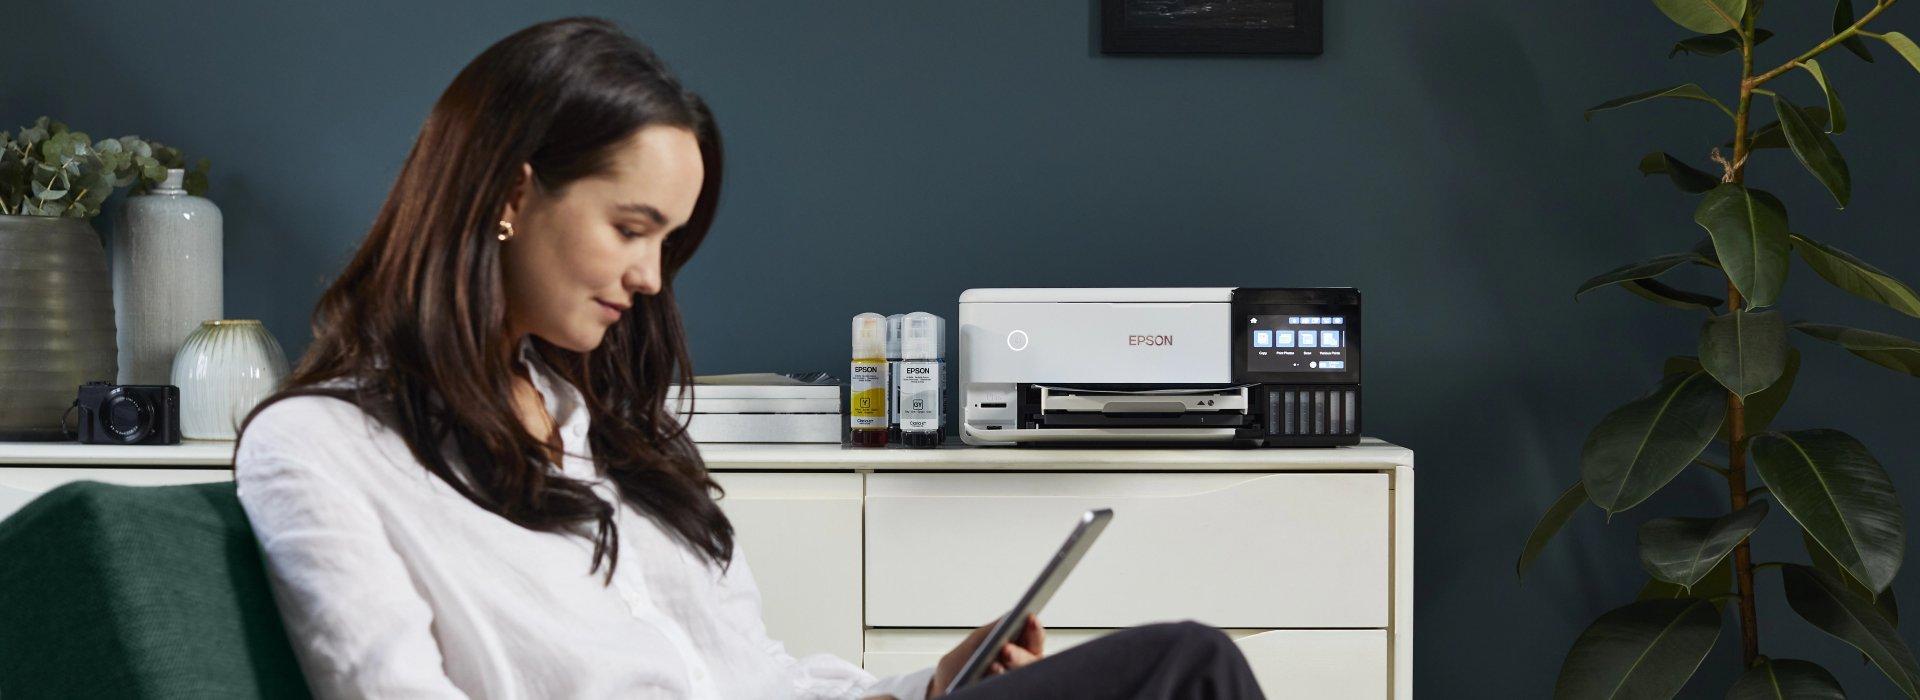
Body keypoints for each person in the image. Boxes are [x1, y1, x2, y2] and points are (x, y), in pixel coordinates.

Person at [233, 16, 1265, 700]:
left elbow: (748, 675)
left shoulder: (601, 430)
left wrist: (930, 683)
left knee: (1178, 665)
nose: (649, 277)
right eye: (631, 226)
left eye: (668, 243)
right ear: (509, 193)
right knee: (1186, 667)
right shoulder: (321, 445)